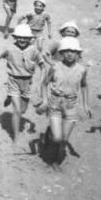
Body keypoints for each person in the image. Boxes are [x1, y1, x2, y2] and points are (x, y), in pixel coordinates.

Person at [39, 37, 91, 169]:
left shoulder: (82, 69)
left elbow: (84, 86)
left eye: (73, 51)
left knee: (64, 140)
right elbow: (44, 84)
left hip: (71, 105)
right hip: (55, 104)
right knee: (57, 138)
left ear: (78, 54)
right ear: (61, 53)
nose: (69, 54)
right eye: (66, 51)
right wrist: (45, 101)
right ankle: (50, 135)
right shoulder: (55, 67)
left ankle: (55, 162)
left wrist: (85, 105)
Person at [0, 24, 45, 145]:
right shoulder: (9, 48)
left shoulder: (33, 50)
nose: (22, 40)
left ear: (30, 38)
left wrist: (41, 82)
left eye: (25, 38)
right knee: (17, 111)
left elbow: (43, 66)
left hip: (27, 82)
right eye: (19, 37)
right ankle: (15, 137)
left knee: (23, 110)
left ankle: (10, 97)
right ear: (15, 37)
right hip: (13, 80)